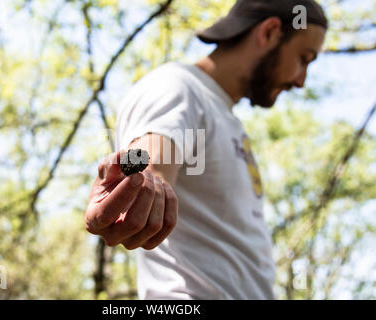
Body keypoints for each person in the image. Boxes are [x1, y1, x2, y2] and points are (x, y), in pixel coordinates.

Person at [85, 0, 328, 299]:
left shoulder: (227, 118)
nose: (301, 80)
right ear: (270, 32)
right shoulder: (179, 87)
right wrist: (138, 173)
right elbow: (153, 155)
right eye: (304, 58)